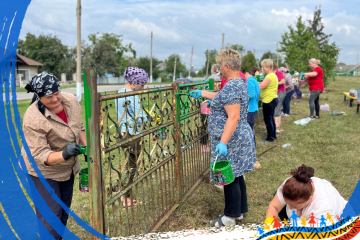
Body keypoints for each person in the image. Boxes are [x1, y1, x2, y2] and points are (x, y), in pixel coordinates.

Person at [189, 49, 256, 227]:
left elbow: (233, 117)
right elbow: (223, 98)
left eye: (220, 67)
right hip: (237, 136)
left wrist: (223, 142)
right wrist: (203, 94)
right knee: (237, 174)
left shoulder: (233, 85)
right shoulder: (239, 82)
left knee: (228, 176)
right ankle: (239, 211)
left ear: (227, 66)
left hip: (232, 138)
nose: (219, 70)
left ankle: (230, 218)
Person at [21, 72, 87, 240]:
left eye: (57, 93)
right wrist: (65, 154)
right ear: (39, 97)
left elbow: (78, 125)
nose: (56, 99)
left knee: (63, 209)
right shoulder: (33, 117)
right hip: (42, 170)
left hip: (66, 168)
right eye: (49, 97)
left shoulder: (71, 101)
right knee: (51, 214)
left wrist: (87, 147)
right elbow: (39, 154)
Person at [265, 164, 347, 223]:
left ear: (309, 200)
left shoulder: (323, 210)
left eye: (295, 206)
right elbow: (274, 207)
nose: (290, 208)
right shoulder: (294, 183)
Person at [116, 67, 149, 207]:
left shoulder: (120, 92)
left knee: (127, 163)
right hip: (131, 134)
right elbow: (140, 117)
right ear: (135, 83)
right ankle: (126, 197)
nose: (142, 88)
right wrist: (148, 117)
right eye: (142, 85)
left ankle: (122, 189)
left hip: (121, 133)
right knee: (132, 166)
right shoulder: (132, 96)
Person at [201, 64, 221, 152]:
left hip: (206, 103)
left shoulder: (211, 76)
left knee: (205, 124)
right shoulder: (215, 78)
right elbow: (217, 89)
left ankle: (206, 144)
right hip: (208, 104)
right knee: (206, 125)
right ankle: (205, 145)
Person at [259, 59, 278, 143]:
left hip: (269, 100)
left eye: (263, 67)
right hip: (273, 98)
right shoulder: (273, 75)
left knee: (268, 120)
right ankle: (273, 135)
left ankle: (269, 138)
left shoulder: (269, 76)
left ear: (268, 67)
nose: (262, 68)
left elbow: (261, 86)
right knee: (271, 119)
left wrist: (253, 84)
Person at [244, 67, 260, 146]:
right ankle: (252, 146)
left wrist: (242, 97)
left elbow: (252, 94)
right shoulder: (255, 81)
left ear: (247, 73)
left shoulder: (250, 80)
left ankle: (251, 146)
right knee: (251, 129)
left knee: (249, 130)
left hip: (250, 109)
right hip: (254, 108)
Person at [273, 63, 286, 133]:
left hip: (280, 92)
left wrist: (273, 83)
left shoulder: (278, 73)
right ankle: (278, 126)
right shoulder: (276, 73)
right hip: (279, 92)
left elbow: (283, 81)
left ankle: (276, 127)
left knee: (276, 109)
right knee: (278, 108)